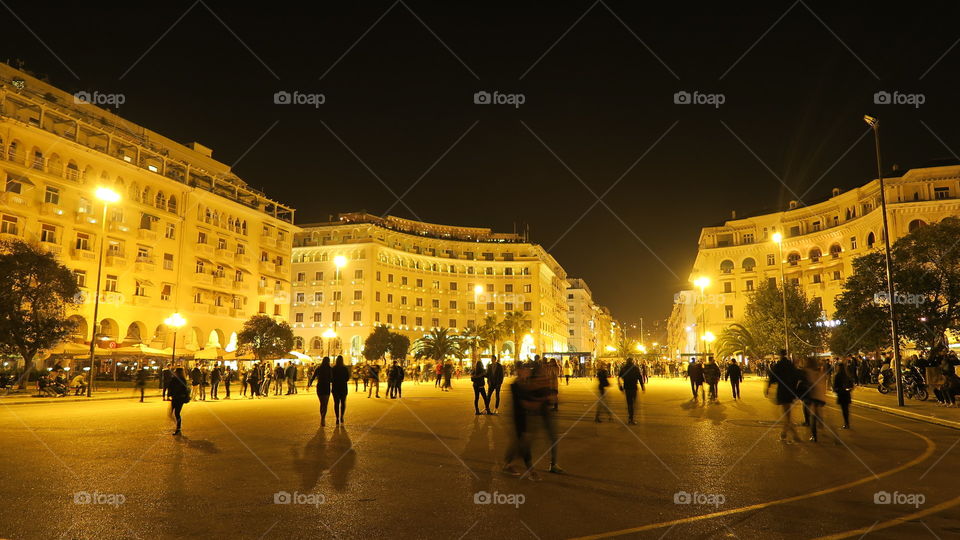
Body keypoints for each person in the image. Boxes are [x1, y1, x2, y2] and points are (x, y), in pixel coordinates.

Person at [766, 351, 802, 443]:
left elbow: (772, 377)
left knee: (787, 414)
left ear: (780, 355)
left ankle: (789, 434)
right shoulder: (790, 365)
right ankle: (789, 434)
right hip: (790, 391)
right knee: (787, 413)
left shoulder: (779, 365)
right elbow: (797, 376)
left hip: (782, 391)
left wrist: (768, 388)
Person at [617, 357, 645, 424]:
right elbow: (640, 377)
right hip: (633, 387)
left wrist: (620, 387)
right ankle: (631, 418)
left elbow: (619, 377)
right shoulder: (635, 368)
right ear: (632, 361)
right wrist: (642, 387)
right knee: (633, 403)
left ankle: (630, 417)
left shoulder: (623, 368)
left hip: (627, 387)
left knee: (629, 403)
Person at [310, 357, 332, 427]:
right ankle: (323, 418)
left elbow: (313, 377)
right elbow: (332, 379)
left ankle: (322, 417)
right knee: (325, 404)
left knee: (322, 403)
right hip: (326, 387)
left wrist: (309, 384)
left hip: (320, 387)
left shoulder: (318, 368)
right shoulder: (330, 369)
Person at [168, 367, 190, 436]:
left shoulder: (176, 379)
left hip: (178, 398)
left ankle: (178, 428)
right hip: (179, 398)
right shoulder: (182, 380)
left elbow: (171, 387)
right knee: (174, 413)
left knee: (176, 413)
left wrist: (170, 394)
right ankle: (178, 426)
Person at [833, 357, 854, 429]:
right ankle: (847, 423)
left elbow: (835, 386)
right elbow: (852, 385)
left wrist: (837, 391)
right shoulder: (847, 375)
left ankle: (846, 423)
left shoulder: (837, 376)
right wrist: (848, 390)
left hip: (841, 394)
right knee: (846, 409)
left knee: (844, 410)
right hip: (847, 394)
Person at [332, 356, 350, 425]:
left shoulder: (334, 368)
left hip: (335, 387)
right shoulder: (345, 368)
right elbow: (347, 378)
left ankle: (337, 418)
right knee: (343, 402)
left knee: (336, 403)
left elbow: (331, 378)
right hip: (343, 387)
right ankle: (342, 416)